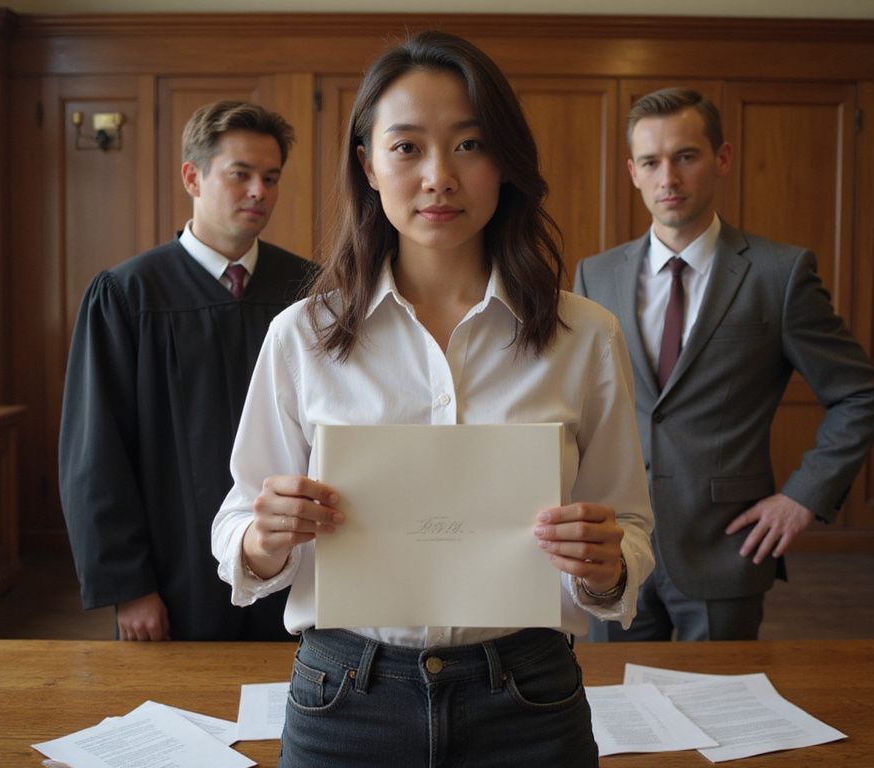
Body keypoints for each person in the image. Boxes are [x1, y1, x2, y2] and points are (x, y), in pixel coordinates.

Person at [210, 32, 654, 767]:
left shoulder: (583, 335)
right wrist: (264, 537)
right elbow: (237, 521)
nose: (439, 177)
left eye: (470, 144)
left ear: (504, 161)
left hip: (528, 695)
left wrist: (606, 565)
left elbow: (630, 527)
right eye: (407, 147)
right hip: (345, 695)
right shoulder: (303, 336)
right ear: (369, 165)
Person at [574, 88, 874, 642]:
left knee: (720, 717)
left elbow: (860, 394)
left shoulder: (779, 274)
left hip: (725, 546)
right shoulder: (594, 278)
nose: (667, 177)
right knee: (614, 714)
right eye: (651, 161)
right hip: (614, 550)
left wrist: (801, 497)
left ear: (722, 158)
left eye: (686, 156)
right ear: (633, 171)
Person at [58, 100, 315, 641]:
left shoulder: (310, 293)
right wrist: (128, 585)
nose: (258, 192)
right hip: (174, 567)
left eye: (271, 178)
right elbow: (96, 452)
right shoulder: (128, 296)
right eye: (240, 174)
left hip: (293, 561)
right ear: (192, 177)